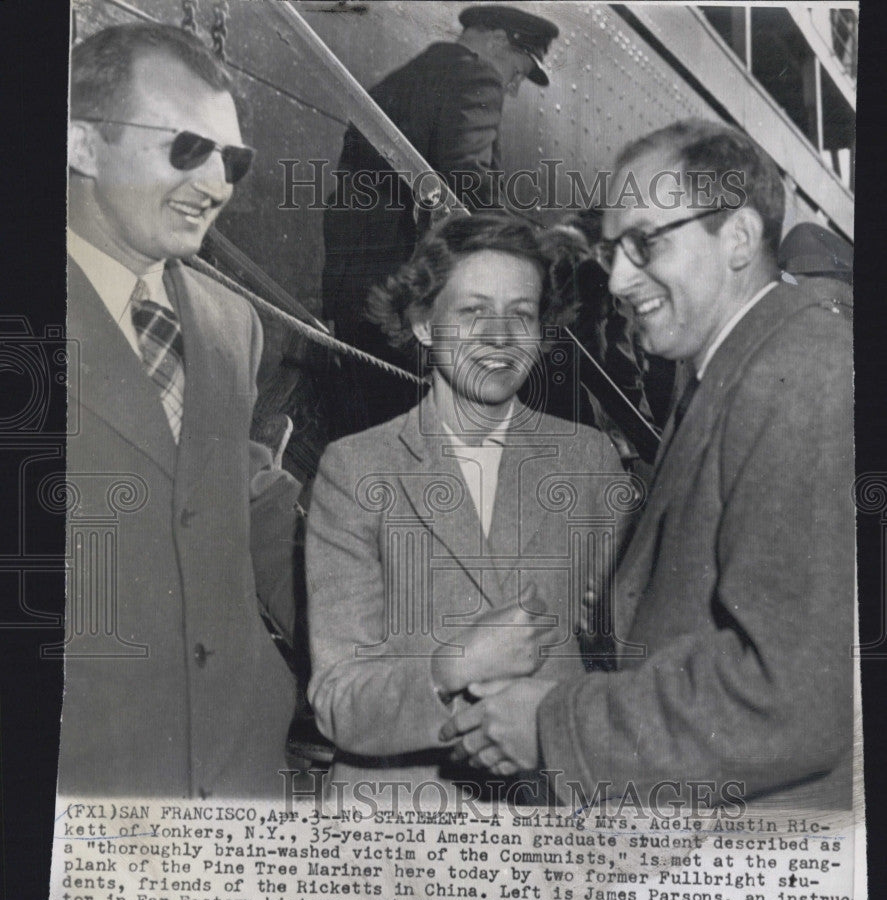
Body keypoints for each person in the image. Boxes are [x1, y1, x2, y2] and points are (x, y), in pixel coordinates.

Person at [442, 120, 855, 812]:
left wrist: (554, 724)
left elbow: (791, 695)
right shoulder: (739, 365)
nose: (619, 277)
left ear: (739, 238)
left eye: (644, 243)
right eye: (610, 249)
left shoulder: (799, 374)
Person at [306, 213, 632, 804]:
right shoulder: (356, 470)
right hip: (398, 840)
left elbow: (620, 664)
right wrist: (450, 666)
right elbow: (337, 702)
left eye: (521, 314)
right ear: (424, 324)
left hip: (546, 832)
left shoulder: (590, 463)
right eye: (473, 311)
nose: (500, 337)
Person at [62, 23, 303, 798]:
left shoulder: (234, 326)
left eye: (232, 159)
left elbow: (240, 501)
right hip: (86, 785)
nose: (218, 184)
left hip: (237, 775)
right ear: (82, 147)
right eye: (185, 148)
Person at [321, 4, 558, 431]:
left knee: (369, 428)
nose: (514, 87)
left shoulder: (413, 73)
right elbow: (468, 183)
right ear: (499, 40)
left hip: (353, 287)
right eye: (519, 72)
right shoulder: (477, 77)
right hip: (400, 297)